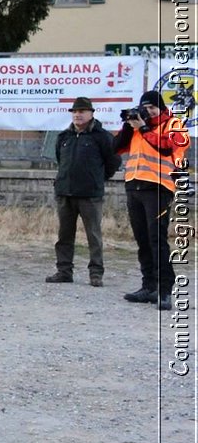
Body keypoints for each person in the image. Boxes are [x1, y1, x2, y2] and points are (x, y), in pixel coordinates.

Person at [115, 89, 189, 309]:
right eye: (144, 108)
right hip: (134, 185)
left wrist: (144, 128)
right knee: (142, 240)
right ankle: (149, 286)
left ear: (162, 108)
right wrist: (128, 127)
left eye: (152, 108)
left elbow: (167, 148)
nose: (148, 112)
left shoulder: (174, 124)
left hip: (159, 187)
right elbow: (115, 147)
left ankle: (165, 290)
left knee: (157, 239)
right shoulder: (138, 127)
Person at [48, 97, 120, 288]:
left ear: (91, 114)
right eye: (74, 112)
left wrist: (97, 178)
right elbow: (60, 160)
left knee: (93, 236)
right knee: (64, 236)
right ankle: (64, 271)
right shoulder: (64, 137)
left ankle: (96, 274)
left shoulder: (102, 137)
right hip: (65, 193)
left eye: (81, 111)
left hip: (90, 195)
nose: (77, 115)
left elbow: (114, 161)